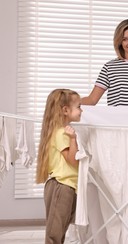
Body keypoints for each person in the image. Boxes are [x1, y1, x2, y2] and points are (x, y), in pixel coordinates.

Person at [36, 89, 83, 244]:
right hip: (61, 187)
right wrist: (73, 139)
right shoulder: (62, 133)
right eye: (79, 106)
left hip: (67, 186)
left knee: (60, 231)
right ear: (65, 110)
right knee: (55, 233)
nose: (81, 110)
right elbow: (72, 160)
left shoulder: (61, 132)